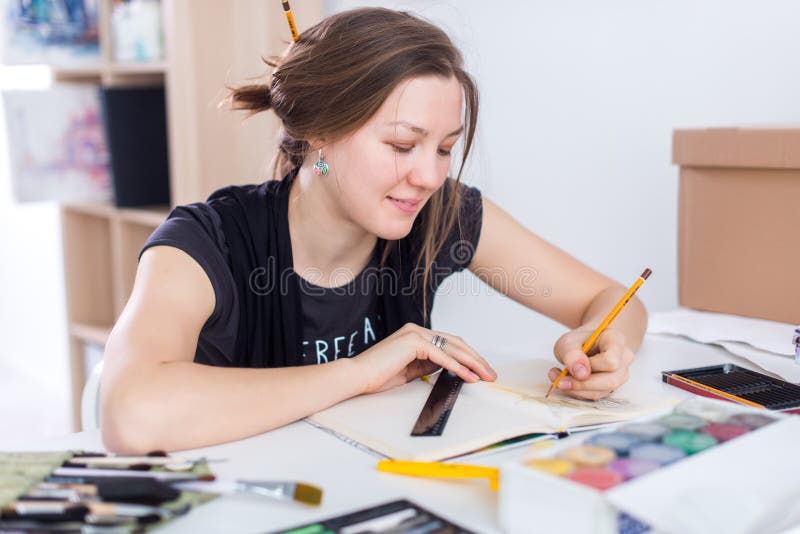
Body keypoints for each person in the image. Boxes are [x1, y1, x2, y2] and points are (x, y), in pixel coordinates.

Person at [100, 7, 647, 453]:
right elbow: (131, 414)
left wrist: (604, 344)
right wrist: (357, 373)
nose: (430, 175)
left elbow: (612, 300)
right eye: (403, 146)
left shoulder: (439, 216)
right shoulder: (204, 242)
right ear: (319, 131)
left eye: (445, 149)